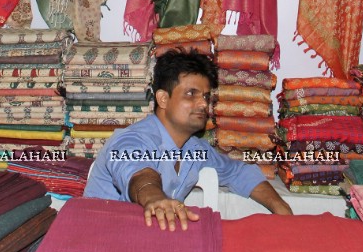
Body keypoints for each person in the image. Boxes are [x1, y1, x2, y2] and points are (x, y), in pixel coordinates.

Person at [84, 49, 292, 230]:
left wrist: (280, 207)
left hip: (146, 242)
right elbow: (138, 172)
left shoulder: (194, 149)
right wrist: (155, 198)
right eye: (191, 94)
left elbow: (239, 172)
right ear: (163, 99)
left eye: (206, 96)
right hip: (96, 245)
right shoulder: (132, 140)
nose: (203, 104)